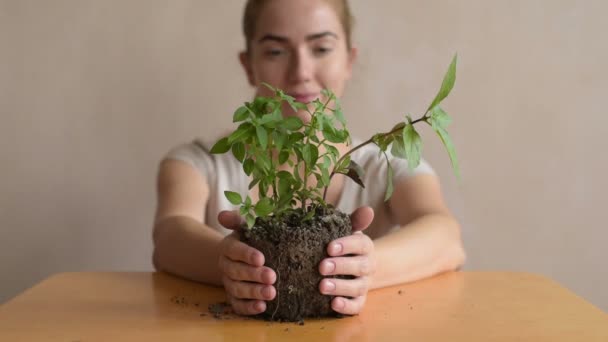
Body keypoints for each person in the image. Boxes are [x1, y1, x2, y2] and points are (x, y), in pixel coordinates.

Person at [153, 0, 465, 316]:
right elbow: (169, 236)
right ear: (249, 65)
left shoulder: (383, 163)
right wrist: (227, 261)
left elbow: (446, 237)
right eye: (276, 51)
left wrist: (368, 267)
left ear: (349, 61)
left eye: (321, 49)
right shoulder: (197, 163)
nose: (301, 72)